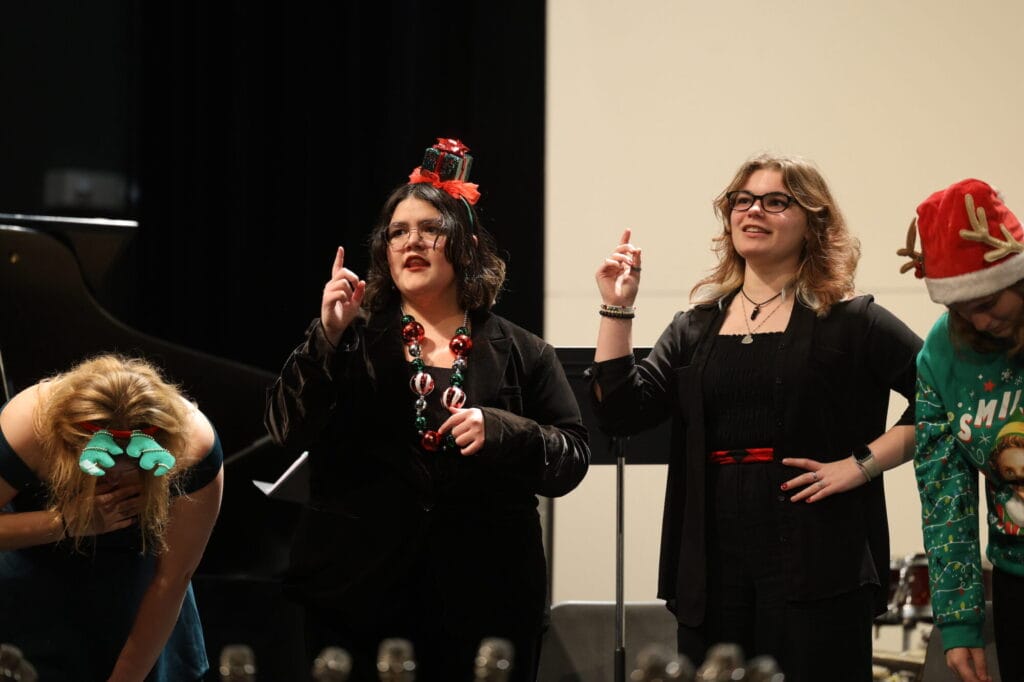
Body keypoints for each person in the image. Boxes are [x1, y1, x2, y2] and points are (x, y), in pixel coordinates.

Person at [265, 138, 590, 682]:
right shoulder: (350, 339)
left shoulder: (525, 351)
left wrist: (503, 430)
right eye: (398, 232)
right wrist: (326, 335)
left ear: (464, 245)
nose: (411, 241)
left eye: (430, 229)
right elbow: (285, 427)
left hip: (488, 599)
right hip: (358, 600)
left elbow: (573, 456)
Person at [590, 153, 922, 681]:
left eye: (775, 201)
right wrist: (617, 307)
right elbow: (622, 413)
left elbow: (942, 401)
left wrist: (860, 464)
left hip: (816, 555)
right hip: (712, 554)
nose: (753, 211)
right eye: (742, 201)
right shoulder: (694, 328)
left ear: (813, 221)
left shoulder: (851, 321)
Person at [0, 353, 224, 681]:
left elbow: (171, 579)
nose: (113, 482)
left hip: (140, 592)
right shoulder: (29, 425)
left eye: (130, 473)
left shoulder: (194, 447)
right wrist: (65, 522)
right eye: (101, 472)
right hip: (32, 576)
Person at [903, 178, 1024, 682]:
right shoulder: (942, 356)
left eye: (989, 301)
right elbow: (946, 497)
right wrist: (959, 623)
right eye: (961, 308)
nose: (979, 320)